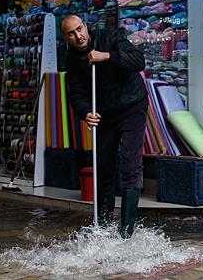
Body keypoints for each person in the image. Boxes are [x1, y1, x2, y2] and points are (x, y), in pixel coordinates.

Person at [61, 15, 147, 238]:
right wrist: (85, 113)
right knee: (103, 166)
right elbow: (76, 93)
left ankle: (126, 228)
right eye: (71, 33)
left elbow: (138, 61)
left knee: (130, 163)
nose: (78, 36)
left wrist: (107, 56)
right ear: (66, 38)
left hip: (132, 105)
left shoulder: (111, 37)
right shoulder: (71, 58)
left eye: (79, 29)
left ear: (86, 27)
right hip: (104, 113)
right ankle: (104, 223)